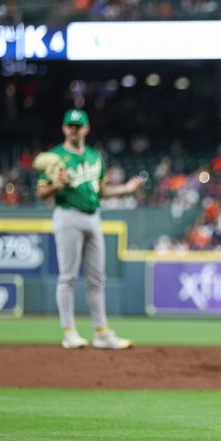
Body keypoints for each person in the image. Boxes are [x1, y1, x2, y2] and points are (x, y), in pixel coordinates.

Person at [36, 109, 144, 349]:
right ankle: (69, 331)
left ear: (86, 128)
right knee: (68, 276)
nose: (74, 129)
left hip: (93, 216)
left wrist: (126, 189)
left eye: (78, 126)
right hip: (68, 215)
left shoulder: (95, 156)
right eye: (70, 126)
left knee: (97, 278)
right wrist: (56, 184)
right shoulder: (55, 156)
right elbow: (42, 193)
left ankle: (101, 332)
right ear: (64, 128)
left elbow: (102, 191)